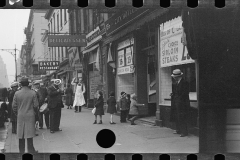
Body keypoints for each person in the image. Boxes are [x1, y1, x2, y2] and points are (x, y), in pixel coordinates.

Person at [12, 77, 39, 153]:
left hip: (20, 115)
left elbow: (14, 106)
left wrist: (18, 113)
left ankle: (21, 152)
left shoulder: (17, 93)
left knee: (21, 135)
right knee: (29, 135)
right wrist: (34, 112)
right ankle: (31, 151)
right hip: (30, 115)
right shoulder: (33, 93)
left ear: (21, 84)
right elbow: (36, 105)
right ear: (28, 84)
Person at [170, 69, 190, 137]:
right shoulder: (176, 83)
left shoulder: (185, 82)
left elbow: (185, 93)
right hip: (176, 102)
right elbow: (177, 92)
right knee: (177, 116)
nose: (174, 78)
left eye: (174, 76)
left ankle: (184, 132)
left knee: (182, 117)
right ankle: (178, 130)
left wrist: (178, 98)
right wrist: (173, 94)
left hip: (182, 103)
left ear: (177, 76)